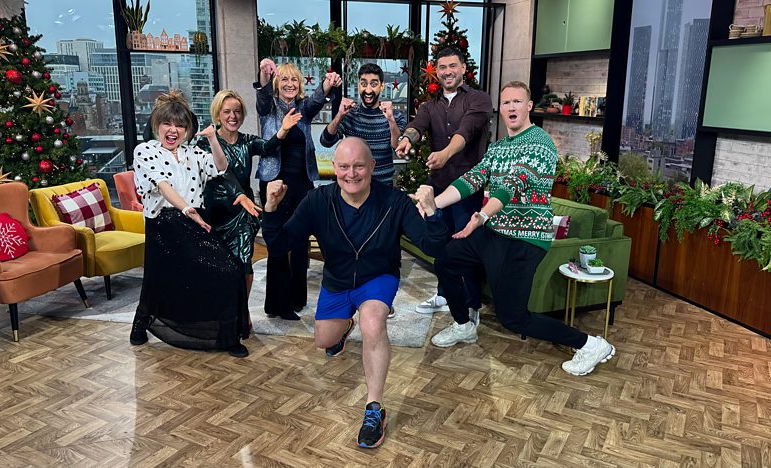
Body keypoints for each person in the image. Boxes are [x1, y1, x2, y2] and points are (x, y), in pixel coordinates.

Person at [261, 137, 449, 448]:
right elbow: (280, 246)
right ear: (334, 167)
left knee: (372, 322)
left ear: (372, 167)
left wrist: (433, 213)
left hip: (378, 276)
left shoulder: (395, 202)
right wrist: (270, 209)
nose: (351, 174)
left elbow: (433, 248)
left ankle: (374, 408)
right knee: (324, 340)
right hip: (337, 280)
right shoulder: (317, 201)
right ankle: (345, 326)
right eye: (344, 167)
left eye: (359, 166)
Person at [428, 81, 616, 376]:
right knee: (446, 260)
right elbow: (473, 179)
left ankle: (590, 344)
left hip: (525, 239)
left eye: (517, 101)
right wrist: (433, 203)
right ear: (500, 109)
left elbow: (514, 184)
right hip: (495, 232)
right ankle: (463, 325)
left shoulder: (540, 143)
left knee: (513, 318)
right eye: (506, 102)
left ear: (528, 106)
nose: (511, 107)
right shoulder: (498, 147)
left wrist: (482, 216)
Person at [130, 90, 250, 358]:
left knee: (230, 271)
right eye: (167, 124)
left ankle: (227, 335)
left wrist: (213, 139)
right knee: (159, 279)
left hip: (197, 221)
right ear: (157, 125)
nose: (173, 130)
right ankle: (141, 324)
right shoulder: (145, 150)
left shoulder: (193, 152)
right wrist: (185, 209)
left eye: (180, 125)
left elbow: (220, 167)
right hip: (164, 224)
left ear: (187, 130)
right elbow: (162, 185)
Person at [395, 47, 492, 322]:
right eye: (442, 67)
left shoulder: (479, 99)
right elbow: (417, 125)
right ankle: (443, 294)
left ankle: (471, 306)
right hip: (437, 187)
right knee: (439, 243)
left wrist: (446, 154)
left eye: (452, 66)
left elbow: (466, 131)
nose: (447, 72)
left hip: (466, 190)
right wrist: (407, 139)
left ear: (463, 68)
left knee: (464, 245)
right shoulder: (429, 106)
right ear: (436, 71)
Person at [255, 58, 342, 320]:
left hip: (302, 183)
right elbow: (262, 97)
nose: (290, 84)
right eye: (284, 79)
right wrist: (264, 73)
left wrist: (327, 84)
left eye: (294, 79)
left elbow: (316, 100)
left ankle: (297, 298)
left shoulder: (303, 108)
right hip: (274, 182)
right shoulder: (269, 107)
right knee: (277, 241)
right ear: (276, 83)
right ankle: (278, 304)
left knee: (300, 239)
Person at [201, 90, 301, 296]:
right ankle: (223, 307)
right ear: (217, 114)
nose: (233, 116)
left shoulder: (247, 141)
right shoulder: (206, 142)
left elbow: (267, 147)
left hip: (243, 214)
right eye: (227, 111)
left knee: (244, 261)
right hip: (215, 213)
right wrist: (240, 195)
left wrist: (283, 129)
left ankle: (242, 309)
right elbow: (222, 172)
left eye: (237, 111)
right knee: (218, 265)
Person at [320, 63, 407, 187]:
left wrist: (391, 120)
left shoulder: (395, 116)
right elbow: (325, 141)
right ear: (359, 86)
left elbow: (398, 147)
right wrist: (339, 115)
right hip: (355, 185)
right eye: (364, 84)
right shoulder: (350, 114)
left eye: (374, 84)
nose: (368, 90)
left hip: (383, 187)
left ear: (382, 86)